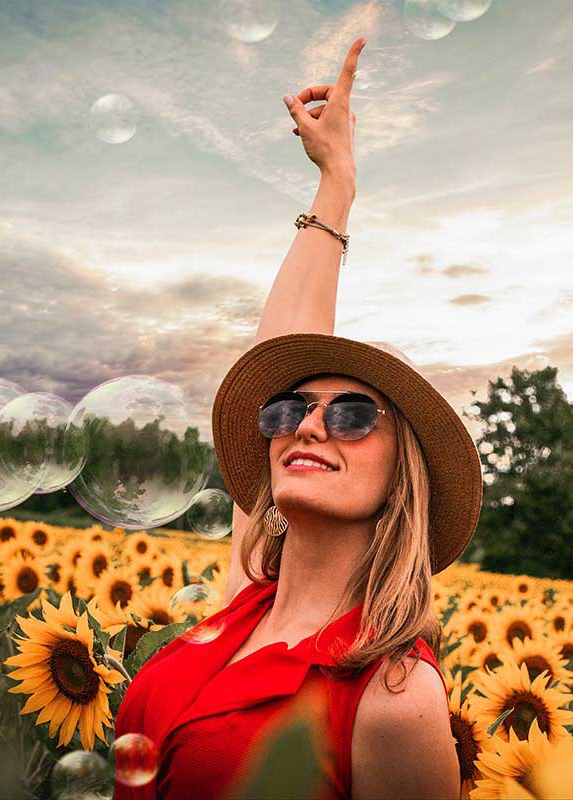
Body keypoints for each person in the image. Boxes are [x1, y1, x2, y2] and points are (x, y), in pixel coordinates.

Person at [113, 38, 484, 800]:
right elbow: (279, 346)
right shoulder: (246, 600)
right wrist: (336, 185)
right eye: (290, 409)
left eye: (351, 415)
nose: (308, 427)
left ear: (401, 476)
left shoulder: (393, 694)